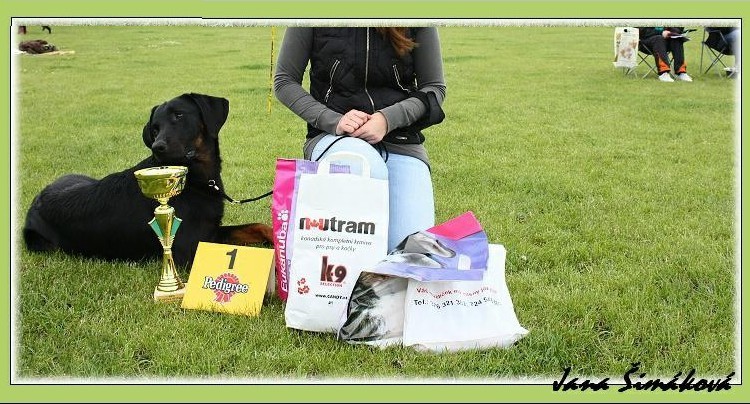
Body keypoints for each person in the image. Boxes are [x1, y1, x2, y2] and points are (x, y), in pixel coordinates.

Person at [274, 27, 446, 251]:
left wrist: (387, 119)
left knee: (411, 252)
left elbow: (435, 88)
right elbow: (285, 81)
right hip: (333, 137)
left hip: (400, 141)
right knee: (367, 167)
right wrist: (334, 120)